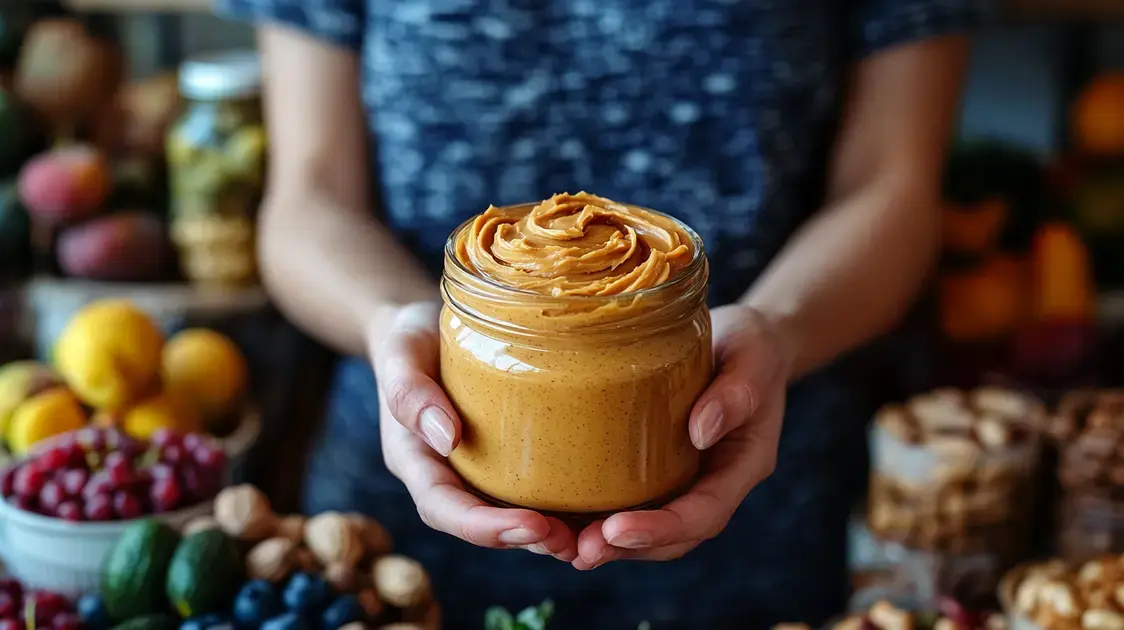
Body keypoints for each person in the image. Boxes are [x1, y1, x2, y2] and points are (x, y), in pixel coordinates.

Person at [218, 1, 979, 627]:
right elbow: (306, 200)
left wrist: (778, 329)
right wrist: (390, 324)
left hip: (760, 497)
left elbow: (896, 187)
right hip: (401, 531)